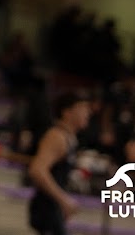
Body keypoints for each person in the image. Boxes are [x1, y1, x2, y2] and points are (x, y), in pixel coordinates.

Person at [27, 92, 91, 235]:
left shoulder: (70, 138)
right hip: (46, 209)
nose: (87, 113)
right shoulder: (56, 136)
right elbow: (37, 170)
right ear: (66, 112)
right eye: (82, 108)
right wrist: (63, 199)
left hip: (54, 209)